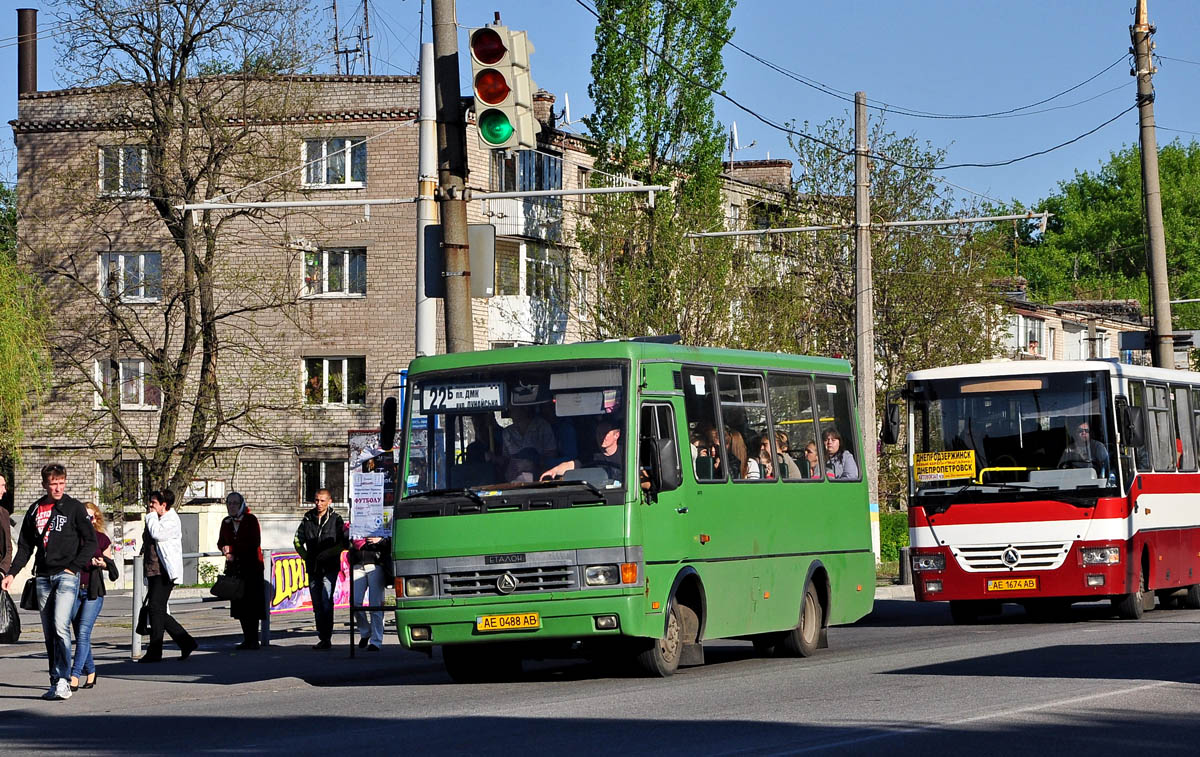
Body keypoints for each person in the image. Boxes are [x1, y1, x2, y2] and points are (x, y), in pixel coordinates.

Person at [2, 464, 96, 700]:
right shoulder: (35, 509)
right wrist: (12, 573)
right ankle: (55, 681)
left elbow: (91, 542)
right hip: (43, 577)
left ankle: (64, 679)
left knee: (60, 625)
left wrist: (73, 568)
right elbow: (24, 547)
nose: (58, 488)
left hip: (66, 576)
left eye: (61, 483)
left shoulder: (73, 508)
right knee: (49, 631)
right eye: (53, 483)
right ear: (45, 484)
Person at [140, 489, 197, 663]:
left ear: (164, 505)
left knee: (156, 609)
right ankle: (183, 643)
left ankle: (158, 649)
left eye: (154, 503)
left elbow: (157, 534)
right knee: (156, 610)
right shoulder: (156, 519)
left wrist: (150, 517)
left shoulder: (171, 520)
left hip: (164, 572)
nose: (150, 506)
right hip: (152, 570)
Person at [69, 502, 117, 691]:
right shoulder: (72, 538)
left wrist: (103, 563)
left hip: (92, 592)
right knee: (79, 634)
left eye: (92, 517)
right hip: (73, 590)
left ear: (96, 519)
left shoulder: (102, 539)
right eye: (84, 517)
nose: (88, 520)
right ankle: (91, 671)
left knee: (83, 633)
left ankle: (74, 675)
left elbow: (113, 571)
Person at [294, 488, 346, 650]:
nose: (319, 504)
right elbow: (297, 541)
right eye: (316, 500)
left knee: (326, 601)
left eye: (322, 500)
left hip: (329, 567)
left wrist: (329, 553)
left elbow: (344, 543)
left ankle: (327, 637)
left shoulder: (336, 519)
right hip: (313, 567)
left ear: (329, 501)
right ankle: (322, 637)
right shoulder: (307, 518)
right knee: (317, 604)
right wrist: (306, 556)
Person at [218, 492, 265, 650]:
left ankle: (254, 639)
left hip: (251, 568)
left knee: (252, 605)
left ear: (241, 504)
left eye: (235, 503)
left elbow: (254, 542)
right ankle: (247, 638)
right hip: (235, 570)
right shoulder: (226, 522)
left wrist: (233, 549)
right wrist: (224, 549)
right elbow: (221, 542)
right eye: (229, 503)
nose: (232, 506)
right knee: (240, 606)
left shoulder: (250, 520)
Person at [541, 417, 623, 482]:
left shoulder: (626, 454)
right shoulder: (592, 455)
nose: (601, 437)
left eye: (605, 433)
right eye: (598, 433)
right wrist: (554, 471)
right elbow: (572, 465)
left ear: (616, 435)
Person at [349, 528, 389, 651]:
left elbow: (392, 540)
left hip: (375, 563)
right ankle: (365, 632)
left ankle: (376, 641)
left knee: (375, 604)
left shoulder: (384, 516)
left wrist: (381, 540)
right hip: (358, 564)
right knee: (355, 602)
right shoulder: (357, 516)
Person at [501, 404, 558, 482]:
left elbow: (551, 453)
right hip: (514, 477)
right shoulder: (507, 432)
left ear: (525, 408)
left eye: (513, 410)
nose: (510, 413)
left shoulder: (542, 426)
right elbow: (506, 458)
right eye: (509, 411)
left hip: (539, 475)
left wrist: (535, 463)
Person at [0, 475, 12, 583]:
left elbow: (8, 547)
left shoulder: (4, 514)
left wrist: (2, 570)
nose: (4, 490)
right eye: (2, 486)